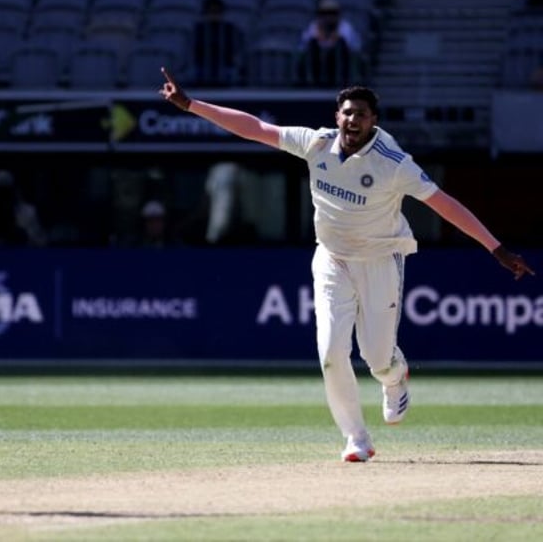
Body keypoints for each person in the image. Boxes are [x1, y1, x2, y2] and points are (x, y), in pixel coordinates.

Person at [158, 68, 535, 462]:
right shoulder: (316, 144)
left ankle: (394, 376)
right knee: (331, 352)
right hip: (332, 258)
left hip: (379, 259)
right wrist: (190, 105)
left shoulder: (394, 162)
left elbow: (444, 204)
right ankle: (356, 438)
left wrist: (497, 249)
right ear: (337, 116)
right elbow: (255, 128)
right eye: (347, 112)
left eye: (361, 114)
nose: (353, 120)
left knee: (376, 357)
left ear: (374, 121)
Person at [297, 0, 363, 87]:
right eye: (324, 13)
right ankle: (312, 83)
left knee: (340, 44)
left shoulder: (345, 27)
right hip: (319, 63)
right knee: (312, 44)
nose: (328, 17)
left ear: (338, 15)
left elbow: (354, 47)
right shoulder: (313, 27)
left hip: (339, 65)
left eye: (332, 13)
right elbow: (303, 47)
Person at [190, 0, 245, 87]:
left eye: (217, 11)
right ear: (205, 12)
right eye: (211, 11)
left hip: (226, 67)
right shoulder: (199, 29)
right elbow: (195, 49)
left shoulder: (230, 29)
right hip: (202, 67)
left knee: (233, 74)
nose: (214, 14)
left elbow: (235, 49)